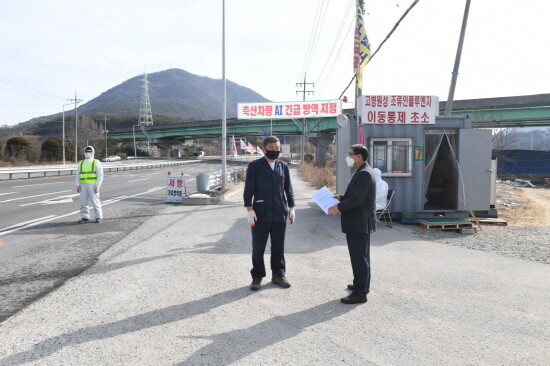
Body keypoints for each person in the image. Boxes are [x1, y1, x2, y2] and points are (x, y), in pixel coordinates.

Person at [243, 136, 296, 291]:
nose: (274, 150)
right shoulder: (255, 166)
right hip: (260, 213)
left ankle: (279, 274)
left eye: (277, 147)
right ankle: (257, 276)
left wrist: (292, 207)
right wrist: (249, 209)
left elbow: (288, 188)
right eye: (271, 148)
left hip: (280, 212)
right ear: (264, 149)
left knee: (278, 246)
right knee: (258, 247)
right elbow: (249, 189)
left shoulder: (283, 166)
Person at [328, 144, 376, 304]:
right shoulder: (362, 172)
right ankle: (360, 285)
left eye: (350, 154)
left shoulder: (364, 174)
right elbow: (355, 195)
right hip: (358, 221)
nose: (347, 157)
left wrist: (339, 207)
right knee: (360, 256)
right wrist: (341, 197)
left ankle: (360, 293)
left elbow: (358, 199)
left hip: (359, 222)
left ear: (359, 157)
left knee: (359, 258)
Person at [76, 146, 104, 223]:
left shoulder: (96, 162)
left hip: (93, 185)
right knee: (83, 202)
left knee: (95, 201)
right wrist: (77, 185)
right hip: (83, 185)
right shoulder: (81, 162)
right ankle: (84, 217)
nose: (88, 153)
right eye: (86, 151)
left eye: (89, 151)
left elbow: (100, 175)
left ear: (93, 152)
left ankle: (98, 217)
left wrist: (98, 186)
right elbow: (78, 175)